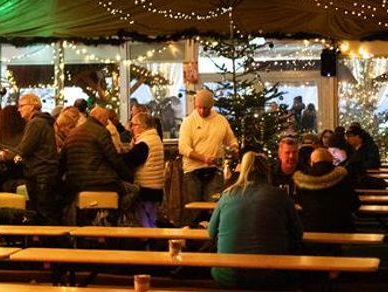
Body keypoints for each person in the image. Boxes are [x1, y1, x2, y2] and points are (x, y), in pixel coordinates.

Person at [208, 152, 302, 289]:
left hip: (228, 276)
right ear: (267, 171)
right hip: (271, 275)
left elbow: (211, 233)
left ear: (243, 170)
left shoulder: (228, 194)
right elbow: (298, 233)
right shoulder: (280, 195)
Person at [63, 105, 136, 222]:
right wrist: (127, 176)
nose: (107, 123)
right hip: (101, 182)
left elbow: (62, 160)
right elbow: (114, 159)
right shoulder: (101, 132)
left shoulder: (73, 133)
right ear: (101, 118)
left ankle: (93, 223)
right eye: (106, 120)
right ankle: (114, 219)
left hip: (76, 184)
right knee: (133, 190)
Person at [178, 89, 238, 222]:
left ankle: (211, 240)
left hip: (215, 171)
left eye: (205, 108)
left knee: (214, 209)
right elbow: (183, 148)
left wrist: (234, 147)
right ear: (195, 105)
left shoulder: (221, 121)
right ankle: (195, 240)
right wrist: (203, 158)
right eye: (199, 107)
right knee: (194, 211)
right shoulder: (188, 122)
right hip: (192, 171)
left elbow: (230, 139)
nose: (202, 111)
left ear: (211, 106)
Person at [4, 93, 59, 225]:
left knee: (43, 214)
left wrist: (5, 155)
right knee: (44, 212)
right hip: (45, 173)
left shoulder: (35, 123)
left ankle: (53, 243)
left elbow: (25, 148)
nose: (19, 109)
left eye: (22, 106)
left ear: (33, 106)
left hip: (40, 174)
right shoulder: (42, 121)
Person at [294, 148, 359, 234]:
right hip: (341, 228)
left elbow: (299, 203)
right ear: (332, 161)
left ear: (312, 162)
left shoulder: (301, 179)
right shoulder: (342, 176)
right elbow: (354, 204)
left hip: (310, 228)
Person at [123, 112, 164, 227]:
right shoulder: (154, 138)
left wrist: (120, 155)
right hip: (156, 187)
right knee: (152, 220)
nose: (132, 128)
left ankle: (148, 242)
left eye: (134, 124)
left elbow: (132, 160)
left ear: (142, 126)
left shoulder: (145, 142)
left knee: (146, 223)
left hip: (146, 188)